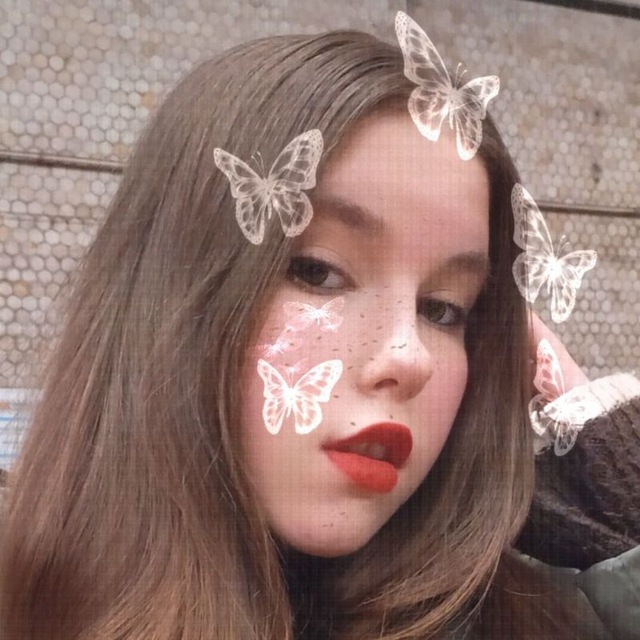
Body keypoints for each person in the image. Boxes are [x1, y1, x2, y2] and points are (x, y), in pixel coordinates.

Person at [0, 22, 638, 640]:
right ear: (165, 296)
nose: (409, 357)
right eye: (318, 272)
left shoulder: (539, 614)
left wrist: (614, 494)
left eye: (443, 309)